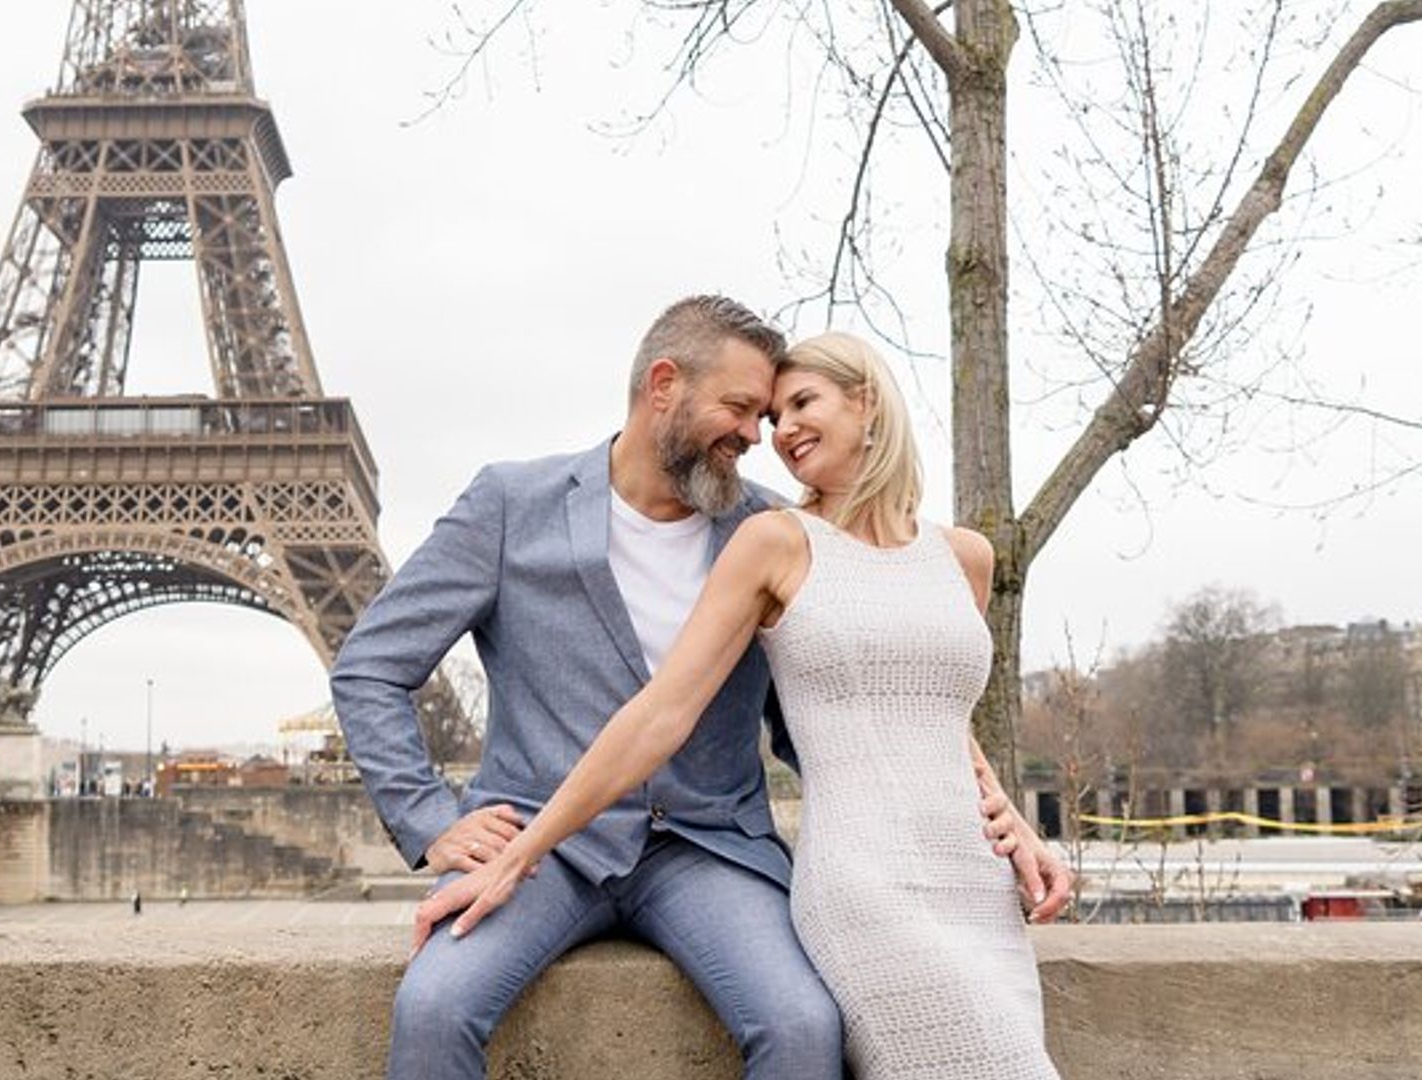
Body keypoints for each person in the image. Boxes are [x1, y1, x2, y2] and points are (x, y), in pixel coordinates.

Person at [333, 297, 1068, 1080]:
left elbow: (863, 707)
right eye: (742, 409)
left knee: (800, 1025)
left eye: (772, 414)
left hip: (710, 850)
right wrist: (431, 818)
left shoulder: (776, 531)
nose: (759, 437)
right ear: (663, 386)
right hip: (546, 843)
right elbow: (370, 663)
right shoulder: (513, 506)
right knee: (433, 1009)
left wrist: (992, 814)